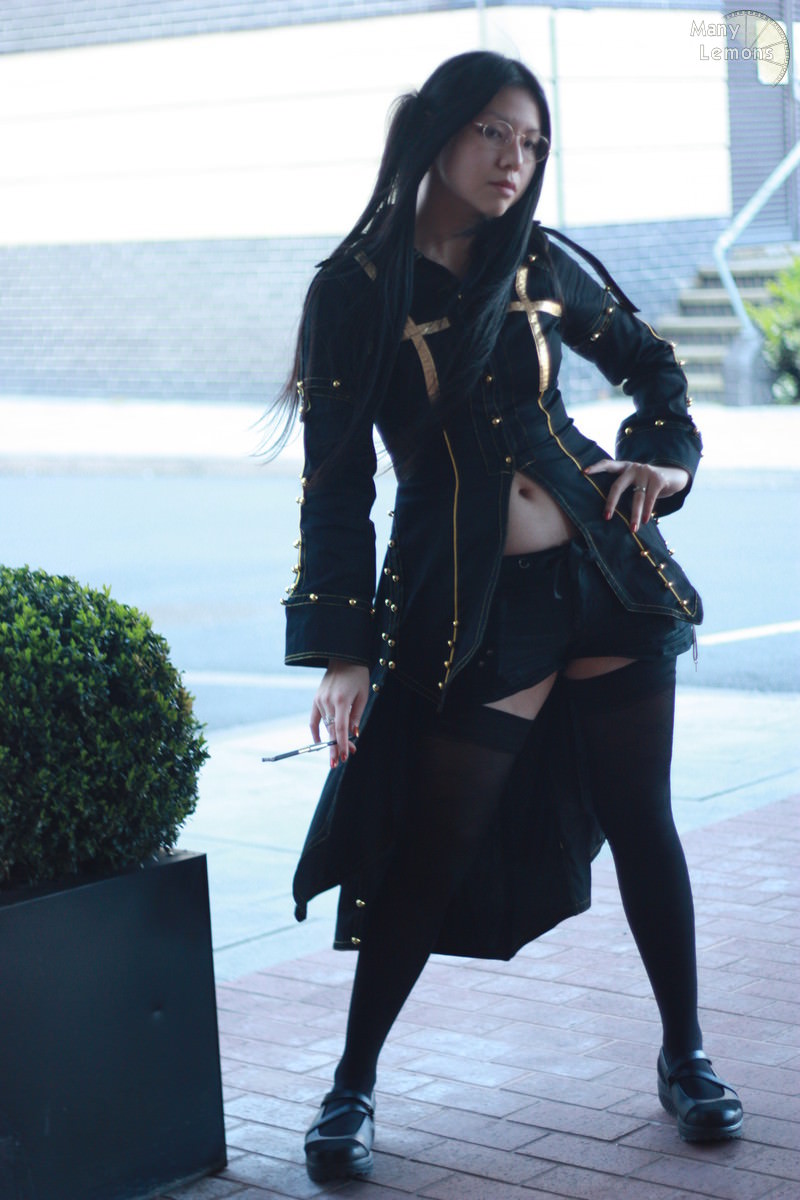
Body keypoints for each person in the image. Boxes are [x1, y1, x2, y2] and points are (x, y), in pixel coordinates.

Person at [271, 51, 743, 1183]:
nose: (513, 160)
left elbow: (655, 369)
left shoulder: (537, 259)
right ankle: (351, 1086)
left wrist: (662, 465)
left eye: (531, 143)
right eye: (493, 131)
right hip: (468, 604)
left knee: (643, 821)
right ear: (436, 130)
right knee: (430, 842)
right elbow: (336, 485)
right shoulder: (354, 288)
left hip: (606, 574)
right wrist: (341, 650)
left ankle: (685, 1056)